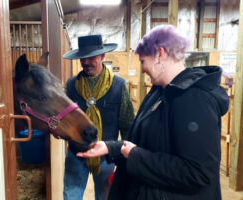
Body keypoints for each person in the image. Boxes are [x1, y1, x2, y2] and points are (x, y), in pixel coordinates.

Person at [77, 25, 229, 200]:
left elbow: (198, 172)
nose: (142, 69)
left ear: (159, 54)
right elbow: (144, 142)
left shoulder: (194, 99)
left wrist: (135, 156)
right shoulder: (160, 92)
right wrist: (110, 147)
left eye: (142, 61)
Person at [63, 34, 135, 200]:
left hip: (106, 156)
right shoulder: (71, 85)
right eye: (83, 58)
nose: (86, 63)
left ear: (103, 56)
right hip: (76, 153)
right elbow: (63, 118)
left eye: (92, 57)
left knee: (105, 197)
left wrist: (127, 157)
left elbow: (127, 124)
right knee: (70, 196)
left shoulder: (118, 86)